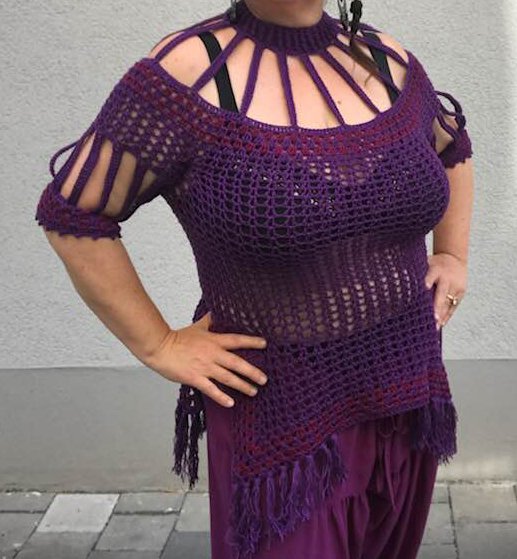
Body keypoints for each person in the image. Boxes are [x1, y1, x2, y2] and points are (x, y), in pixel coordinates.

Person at [34, 1, 475, 558]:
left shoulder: (382, 59)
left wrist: (452, 255)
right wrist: (160, 343)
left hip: (405, 386)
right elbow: (75, 214)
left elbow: (451, 145)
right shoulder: (190, 73)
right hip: (286, 418)